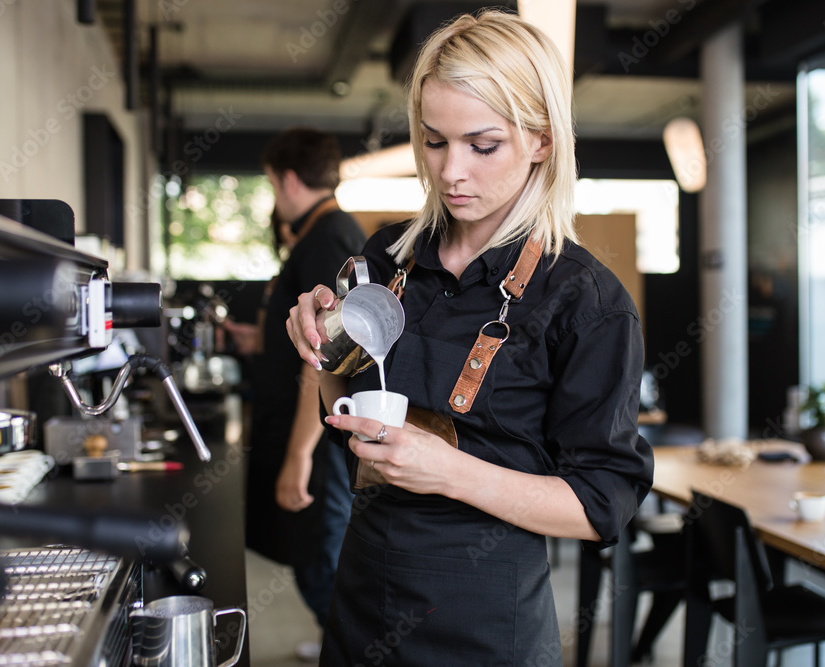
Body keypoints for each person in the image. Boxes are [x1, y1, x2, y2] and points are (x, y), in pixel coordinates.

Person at [286, 10, 653, 665]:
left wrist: (451, 472)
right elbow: (337, 405)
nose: (451, 172)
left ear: (541, 140)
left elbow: (602, 504)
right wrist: (322, 346)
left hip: (486, 625)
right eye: (434, 141)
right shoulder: (387, 259)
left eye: (482, 145)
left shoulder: (585, 302)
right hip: (362, 601)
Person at [227, 127, 365, 660]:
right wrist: (258, 341)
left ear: (286, 179)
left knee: (317, 559)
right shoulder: (324, 234)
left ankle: (354, 648)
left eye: (269, 183)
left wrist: (298, 457)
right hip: (309, 430)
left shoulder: (326, 237)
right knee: (314, 555)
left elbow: (325, 358)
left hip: (317, 438)